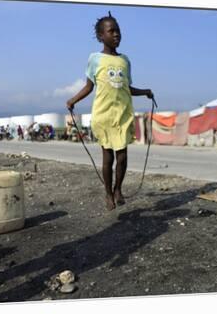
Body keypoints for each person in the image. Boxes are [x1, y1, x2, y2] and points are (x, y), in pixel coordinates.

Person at [66, 12, 154, 211]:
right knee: (108, 157)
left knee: (122, 156)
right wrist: (73, 100)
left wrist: (145, 92)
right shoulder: (95, 59)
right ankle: (107, 192)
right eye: (111, 31)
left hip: (122, 114)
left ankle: (118, 189)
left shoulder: (125, 61)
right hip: (104, 114)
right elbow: (89, 86)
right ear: (100, 36)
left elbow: (126, 88)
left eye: (118, 31)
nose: (116, 34)